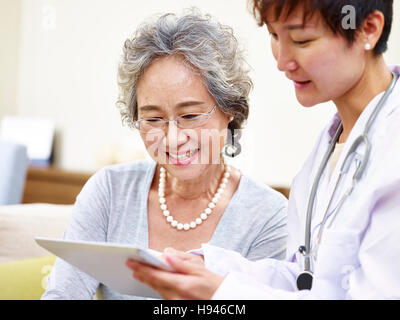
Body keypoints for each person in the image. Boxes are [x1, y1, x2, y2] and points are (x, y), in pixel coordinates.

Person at [126, 0, 400, 299]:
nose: (282, 62)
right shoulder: (327, 151)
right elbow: (306, 279)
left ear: (367, 29)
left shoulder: (391, 149)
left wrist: (224, 293)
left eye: (301, 40)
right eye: (274, 36)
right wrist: (210, 267)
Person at [41, 10, 288, 300]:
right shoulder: (109, 192)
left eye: (190, 115)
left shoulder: (267, 216)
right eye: (154, 119)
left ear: (229, 108)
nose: (173, 138)